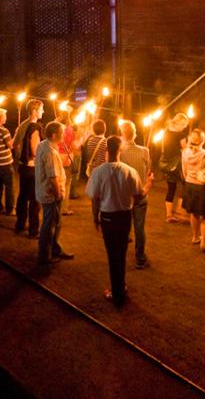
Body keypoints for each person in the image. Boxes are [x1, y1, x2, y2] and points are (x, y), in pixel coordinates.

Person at [87, 136, 151, 307]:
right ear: (120, 150)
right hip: (124, 217)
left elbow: (95, 199)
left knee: (112, 254)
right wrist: (148, 185)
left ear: (106, 150)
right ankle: (120, 289)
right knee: (120, 254)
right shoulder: (130, 171)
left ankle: (117, 293)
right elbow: (138, 197)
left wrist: (95, 217)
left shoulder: (98, 172)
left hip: (107, 217)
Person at [35, 121, 74, 265]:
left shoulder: (43, 145)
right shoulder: (50, 152)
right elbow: (53, 177)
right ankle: (44, 256)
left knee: (55, 223)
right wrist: (58, 196)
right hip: (50, 195)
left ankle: (55, 249)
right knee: (49, 225)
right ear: (53, 134)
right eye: (61, 132)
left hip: (44, 192)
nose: (63, 135)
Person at [117, 120, 153, 270]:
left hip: (124, 195)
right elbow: (149, 170)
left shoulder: (120, 152)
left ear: (121, 135)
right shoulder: (144, 151)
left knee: (123, 226)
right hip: (140, 193)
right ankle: (140, 257)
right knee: (139, 227)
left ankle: (120, 256)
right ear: (135, 133)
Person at [13, 99, 43, 238]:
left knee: (22, 196)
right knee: (35, 200)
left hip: (22, 167)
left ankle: (19, 225)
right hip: (32, 168)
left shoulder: (22, 125)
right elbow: (35, 151)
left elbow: (15, 144)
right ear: (34, 111)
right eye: (41, 109)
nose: (43, 111)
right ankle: (33, 230)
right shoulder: (34, 128)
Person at [158, 112, 191, 223]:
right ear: (181, 123)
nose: (185, 127)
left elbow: (164, 147)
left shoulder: (166, 131)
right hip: (176, 164)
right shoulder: (180, 135)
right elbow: (185, 149)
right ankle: (180, 211)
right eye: (184, 125)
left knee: (171, 188)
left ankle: (169, 215)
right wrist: (189, 143)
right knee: (186, 184)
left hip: (165, 162)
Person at [56, 104, 78, 214]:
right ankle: (64, 208)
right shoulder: (71, 130)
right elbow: (74, 146)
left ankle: (56, 205)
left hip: (56, 157)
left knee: (56, 181)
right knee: (66, 184)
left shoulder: (56, 128)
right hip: (66, 159)